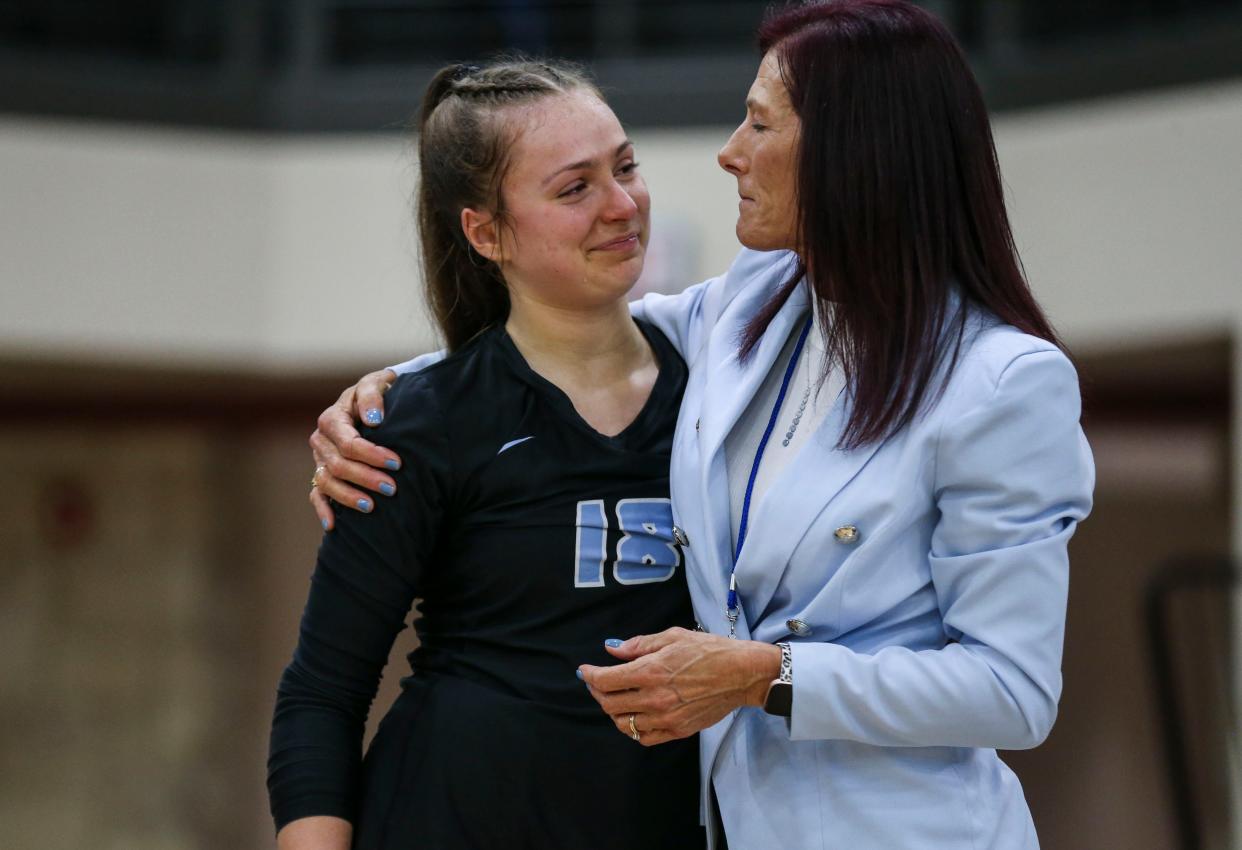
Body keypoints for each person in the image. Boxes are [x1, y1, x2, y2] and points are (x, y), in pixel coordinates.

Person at [308, 2, 1095, 848]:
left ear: (854, 152)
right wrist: (388, 396)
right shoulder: (757, 302)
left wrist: (766, 675)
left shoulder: (1003, 382)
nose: (730, 153)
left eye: (758, 124)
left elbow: (1013, 692)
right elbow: (573, 338)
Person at [267, 58, 708, 850]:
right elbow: (322, 694)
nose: (621, 205)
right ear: (486, 232)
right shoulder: (417, 423)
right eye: (574, 188)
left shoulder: (723, 394)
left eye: (626, 167)